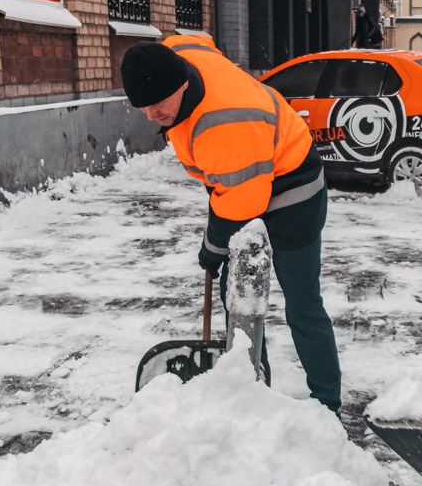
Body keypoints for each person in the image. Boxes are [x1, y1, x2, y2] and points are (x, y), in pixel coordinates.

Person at [120, 37, 342, 415]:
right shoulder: (177, 59)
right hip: (243, 177)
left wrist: (212, 247)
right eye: (143, 106)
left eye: (158, 105)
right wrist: (218, 244)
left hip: (294, 192)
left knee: (302, 304)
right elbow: (196, 40)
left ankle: (328, 405)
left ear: (183, 85)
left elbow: (243, 203)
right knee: (235, 296)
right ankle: (251, 386)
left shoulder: (226, 121)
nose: (151, 115)